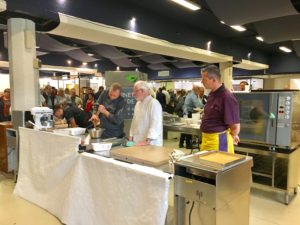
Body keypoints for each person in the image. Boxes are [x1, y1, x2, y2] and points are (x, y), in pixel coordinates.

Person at [200, 65, 240, 153]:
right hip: (207, 140)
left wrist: (232, 136)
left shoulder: (226, 97)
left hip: (219, 141)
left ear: (213, 80)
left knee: (217, 165)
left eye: (204, 79)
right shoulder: (212, 94)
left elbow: (235, 126)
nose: (201, 81)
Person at [129, 81, 163, 146]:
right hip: (138, 142)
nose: (133, 94)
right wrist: (131, 136)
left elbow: (155, 124)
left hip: (151, 144)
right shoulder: (138, 104)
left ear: (142, 91)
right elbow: (134, 121)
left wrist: (147, 141)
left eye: (135, 91)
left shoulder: (153, 103)